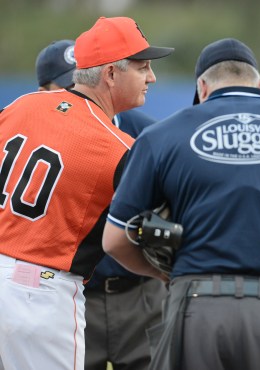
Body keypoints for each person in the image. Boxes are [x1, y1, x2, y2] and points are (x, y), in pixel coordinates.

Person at [102, 38, 260, 370]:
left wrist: (165, 273)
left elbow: (115, 240)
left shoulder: (160, 136)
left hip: (196, 307)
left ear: (202, 87)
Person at [0, 16, 173, 370]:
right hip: (42, 294)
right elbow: (145, 231)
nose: (151, 77)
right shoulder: (119, 146)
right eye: (142, 67)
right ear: (110, 74)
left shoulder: (21, 106)